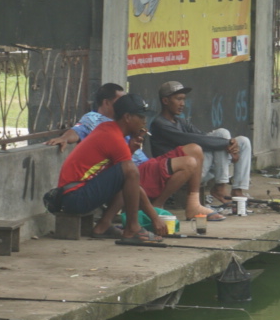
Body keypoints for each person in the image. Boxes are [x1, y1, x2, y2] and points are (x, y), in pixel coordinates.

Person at [53, 93, 216, 240]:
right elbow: (131, 178)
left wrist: (130, 149)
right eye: (141, 117)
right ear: (127, 117)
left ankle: (103, 226)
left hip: (75, 194)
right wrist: (155, 218)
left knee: (127, 173)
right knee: (130, 170)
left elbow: (113, 173)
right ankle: (132, 228)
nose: (145, 122)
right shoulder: (113, 137)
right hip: (73, 197)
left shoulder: (109, 129)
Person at [150, 79, 249, 210]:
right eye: (178, 99)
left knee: (243, 142)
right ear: (165, 101)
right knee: (221, 135)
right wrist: (226, 144)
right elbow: (190, 139)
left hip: (201, 168)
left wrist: (231, 147)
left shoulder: (180, 121)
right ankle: (220, 187)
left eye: (184, 99)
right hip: (180, 173)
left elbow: (202, 136)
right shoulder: (160, 124)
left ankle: (237, 190)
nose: (182, 104)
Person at [50, 82, 127, 150]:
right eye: (120, 101)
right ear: (106, 103)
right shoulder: (93, 119)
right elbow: (77, 131)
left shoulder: (125, 119)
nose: (124, 104)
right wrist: (64, 138)